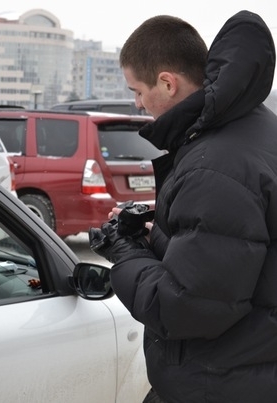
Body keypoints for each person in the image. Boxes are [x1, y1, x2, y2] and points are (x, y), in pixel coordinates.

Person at [89, 10, 277, 403]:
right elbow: (234, 255)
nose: (138, 105)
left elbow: (188, 308)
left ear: (167, 83)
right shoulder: (255, 128)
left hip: (219, 382)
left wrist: (124, 253)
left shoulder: (215, 166)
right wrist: (158, 234)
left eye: (137, 91)